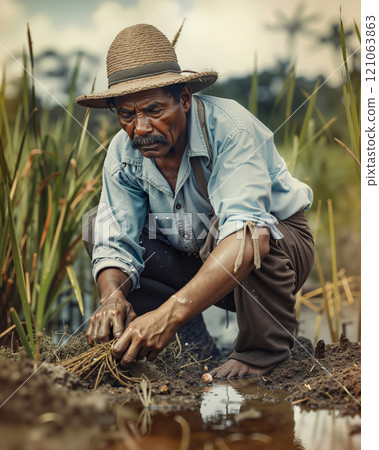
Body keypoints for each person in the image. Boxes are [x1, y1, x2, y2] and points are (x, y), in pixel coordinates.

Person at [76, 24, 314, 379]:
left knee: (243, 232)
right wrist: (112, 295)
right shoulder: (123, 152)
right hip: (192, 253)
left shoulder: (230, 129)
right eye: (127, 115)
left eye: (154, 109)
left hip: (275, 254)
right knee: (98, 224)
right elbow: (115, 239)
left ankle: (263, 354)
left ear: (184, 98)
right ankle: (192, 349)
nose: (140, 127)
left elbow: (248, 235)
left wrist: (169, 313)